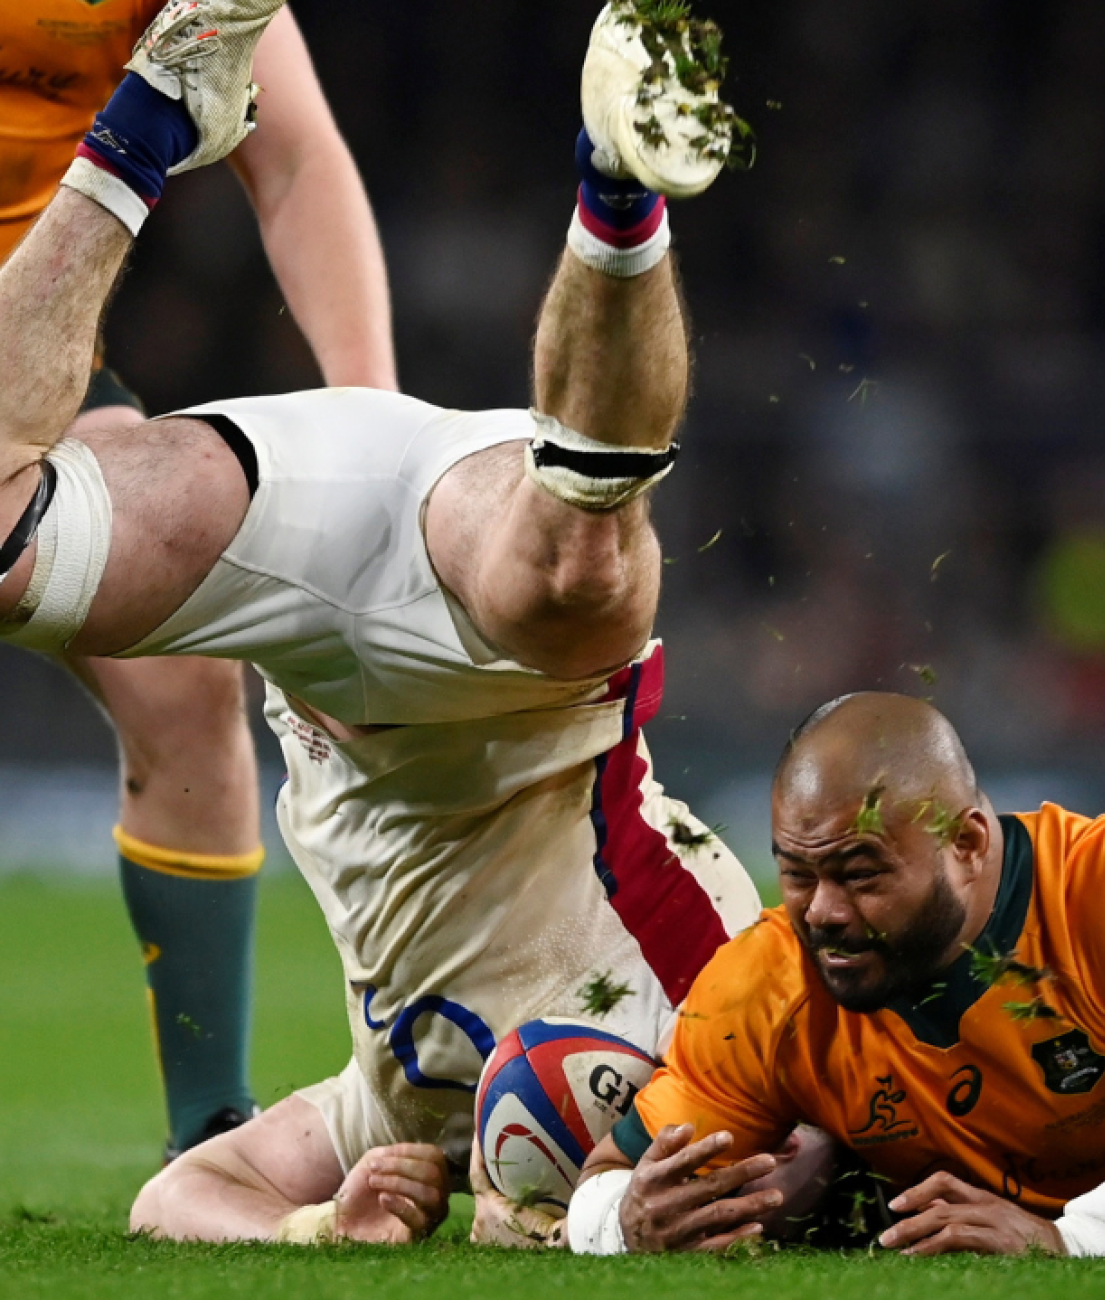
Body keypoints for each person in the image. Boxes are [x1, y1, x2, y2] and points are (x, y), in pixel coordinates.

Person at [0, 0, 760, 1244]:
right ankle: (619, 203)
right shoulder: (729, 1016)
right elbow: (852, 1128)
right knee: (573, 576)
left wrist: (318, 1231)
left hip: (314, 612)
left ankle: (143, 132)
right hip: (472, 596)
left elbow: (184, 1205)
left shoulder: (403, 1103)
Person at [1, 0, 396, 1156]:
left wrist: (370, 429)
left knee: (183, 682)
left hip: (34, 358)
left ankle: (207, 1136)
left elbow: (296, 161)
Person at [568, 692, 1105, 1257]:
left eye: (859, 872)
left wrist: (1070, 1240)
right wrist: (623, 1224)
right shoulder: (763, 988)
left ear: (969, 843)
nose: (822, 911)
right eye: (796, 873)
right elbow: (608, 1179)